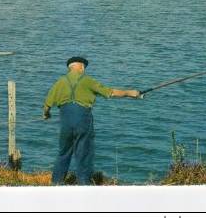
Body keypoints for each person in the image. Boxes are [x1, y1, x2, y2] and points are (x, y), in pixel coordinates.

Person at [43, 56, 140, 185]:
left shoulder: (60, 81)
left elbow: (47, 104)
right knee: (83, 153)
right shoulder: (87, 80)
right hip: (82, 118)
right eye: (84, 67)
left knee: (63, 152)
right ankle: (84, 185)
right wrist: (131, 93)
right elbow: (110, 92)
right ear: (81, 67)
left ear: (70, 68)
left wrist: (46, 114)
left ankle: (56, 184)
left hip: (65, 120)